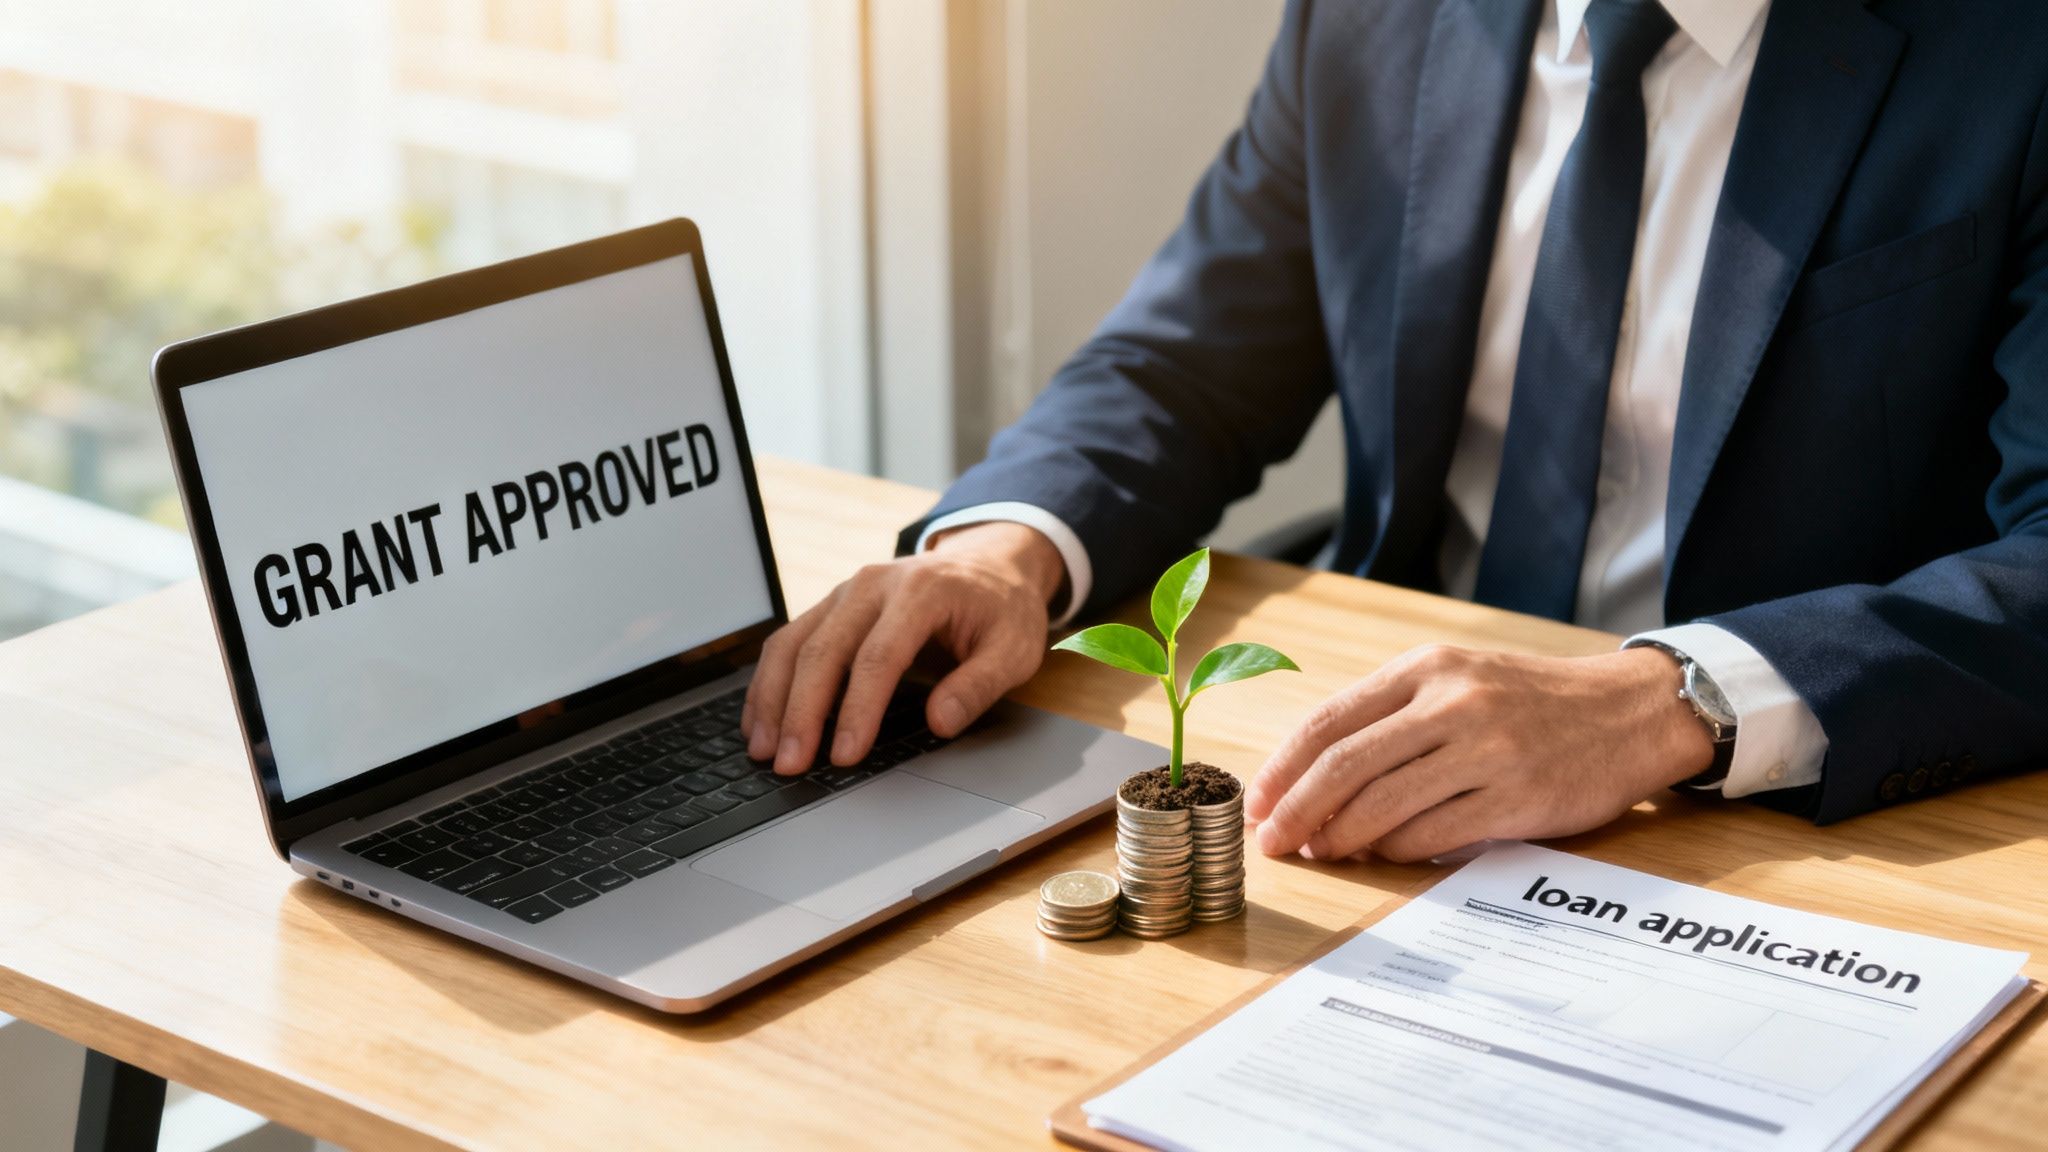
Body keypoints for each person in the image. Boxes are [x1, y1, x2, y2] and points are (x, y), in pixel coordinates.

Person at [743, 0, 2048, 863]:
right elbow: (1188, 359)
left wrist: (1675, 699)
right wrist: (999, 552)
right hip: (1373, 777)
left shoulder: (2010, 49)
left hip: (1788, 816)